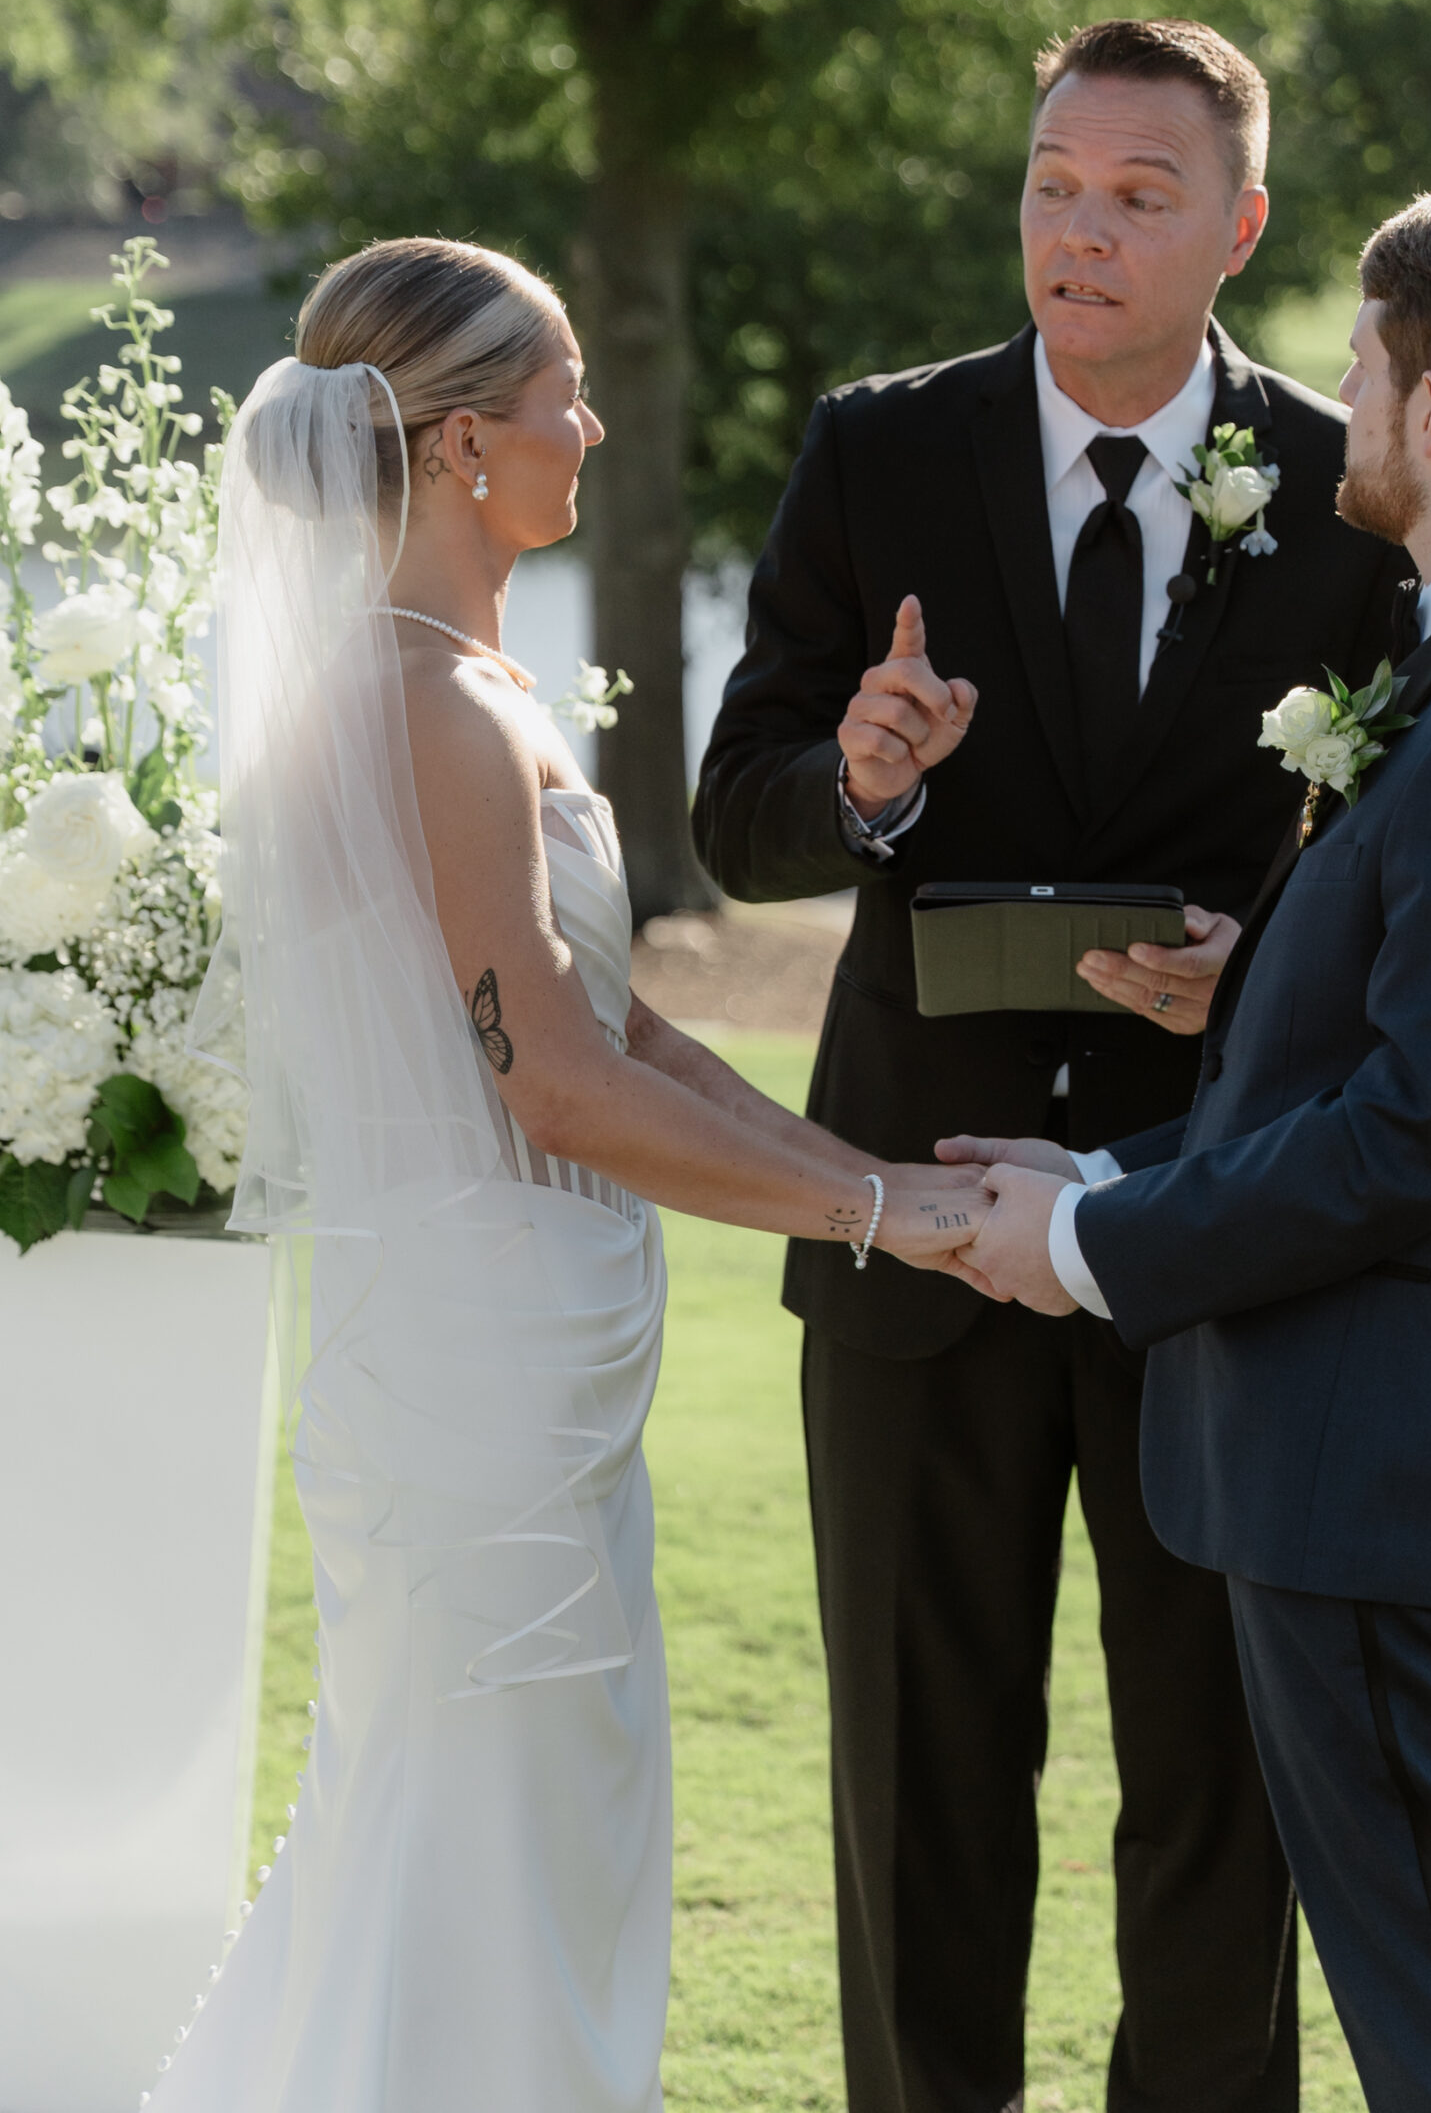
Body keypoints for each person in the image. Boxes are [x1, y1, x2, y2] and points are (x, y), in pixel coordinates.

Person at [151, 238, 987, 2113]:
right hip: (476, 1395)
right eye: (559, 398)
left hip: (514, 1372)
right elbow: (558, 1091)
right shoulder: (431, 712)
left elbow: (623, 1036)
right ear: (457, 447)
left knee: (505, 1836)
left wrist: (877, 1183)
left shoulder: (464, 685)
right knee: (489, 1860)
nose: (590, 428)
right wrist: (874, 1216)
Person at [693, 19, 1409, 2113]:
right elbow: (736, 815)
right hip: (910, 1236)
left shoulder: (1350, 494)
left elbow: (1403, 862)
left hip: (1214, 1232)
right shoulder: (875, 452)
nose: (1075, 229)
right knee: (921, 1796)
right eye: (1049, 180)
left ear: (1240, 226)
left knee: (1218, 1791)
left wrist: (1258, 964)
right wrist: (861, 780)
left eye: (1136, 193)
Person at [945, 185, 1431, 2112]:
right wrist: (1110, 1182)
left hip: (1401, 1486)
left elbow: (1430, 1128)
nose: (1340, 395)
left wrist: (1095, 1256)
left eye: (1364, 363)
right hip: (1413, 1472)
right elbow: (1388, 1055)